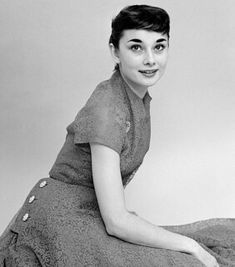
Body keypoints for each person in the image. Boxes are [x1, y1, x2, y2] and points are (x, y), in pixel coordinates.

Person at [0, 4, 234, 267]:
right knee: (190, 259)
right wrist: (191, 247)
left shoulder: (134, 95)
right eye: (136, 47)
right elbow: (116, 221)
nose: (150, 59)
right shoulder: (107, 109)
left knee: (216, 245)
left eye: (159, 46)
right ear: (115, 51)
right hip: (60, 219)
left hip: (94, 213)